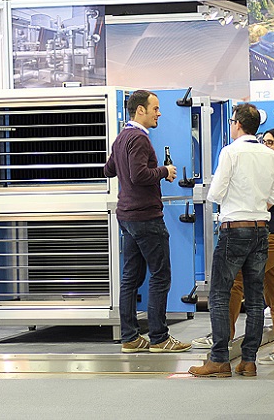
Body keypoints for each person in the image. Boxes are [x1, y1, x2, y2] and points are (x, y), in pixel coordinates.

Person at [189, 104, 274, 378]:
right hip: (261, 228)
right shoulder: (270, 155)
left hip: (234, 228)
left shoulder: (230, 152)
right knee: (255, 297)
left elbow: (215, 193)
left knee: (220, 293)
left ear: (237, 124)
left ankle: (219, 359)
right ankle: (248, 360)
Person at [103, 90, 190, 354]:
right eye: (155, 108)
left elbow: (109, 170)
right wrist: (164, 171)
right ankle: (159, 338)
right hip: (146, 216)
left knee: (131, 277)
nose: (159, 113)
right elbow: (139, 175)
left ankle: (130, 337)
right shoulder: (139, 138)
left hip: (127, 216)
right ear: (140, 110)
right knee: (160, 275)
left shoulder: (122, 137)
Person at [228, 127, 274, 366]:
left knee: (236, 280)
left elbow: (263, 203)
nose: (265, 146)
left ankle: (223, 340)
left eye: (270, 143)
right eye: (264, 141)